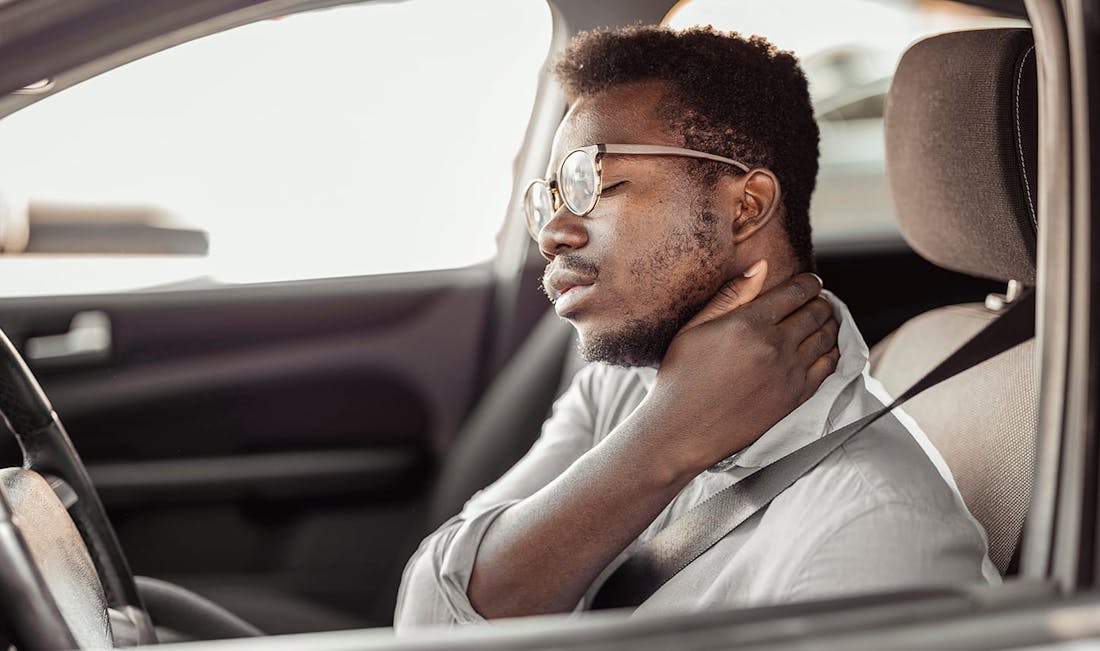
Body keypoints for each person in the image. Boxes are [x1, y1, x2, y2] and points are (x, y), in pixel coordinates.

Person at [394, 25, 996, 628]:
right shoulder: (620, 388)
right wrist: (666, 434)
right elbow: (429, 614)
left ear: (746, 206)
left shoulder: (872, 531)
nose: (552, 234)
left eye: (591, 183)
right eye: (549, 198)